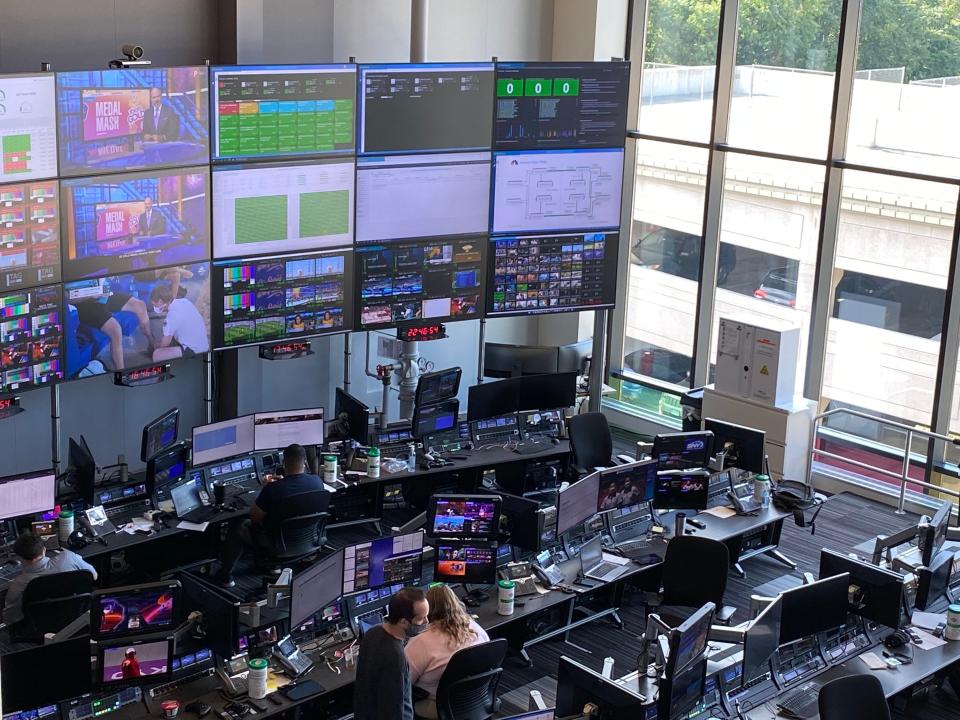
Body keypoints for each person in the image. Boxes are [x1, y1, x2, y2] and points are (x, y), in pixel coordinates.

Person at [215, 444, 330, 586]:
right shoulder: (317, 482)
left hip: (277, 545)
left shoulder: (273, 489)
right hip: (307, 541)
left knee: (237, 525)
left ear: (284, 463)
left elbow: (254, 518)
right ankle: (273, 567)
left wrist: (264, 489)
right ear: (305, 462)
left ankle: (226, 577)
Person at [404, 585, 490, 719]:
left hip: (440, 707)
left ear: (428, 610)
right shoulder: (476, 628)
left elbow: (403, 682)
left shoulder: (420, 643)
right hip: (477, 700)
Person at [354, 588, 429, 720]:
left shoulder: (372, 632)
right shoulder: (395, 657)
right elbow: (396, 708)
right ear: (404, 622)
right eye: (421, 619)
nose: (426, 622)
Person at [2, 532, 98, 625]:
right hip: (76, 617)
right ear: (44, 550)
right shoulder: (68, 558)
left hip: (40, 626)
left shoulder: (19, 584)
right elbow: (94, 575)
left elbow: (11, 619)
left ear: (20, 558)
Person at [150, 283, 209, 361]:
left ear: (160, 302)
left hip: (196, 351)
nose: (154, 307)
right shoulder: (184, 301)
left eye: (154, 304)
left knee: (157, 354)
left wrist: (157, 345)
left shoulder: (171, 317)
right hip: (203, 344)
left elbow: (164, 345)